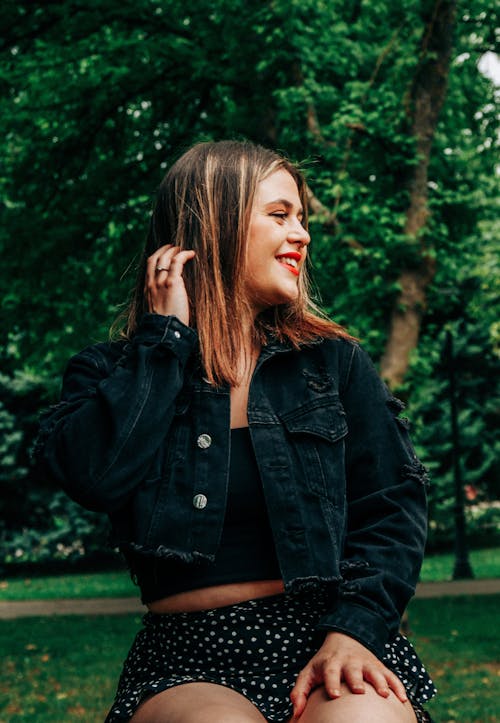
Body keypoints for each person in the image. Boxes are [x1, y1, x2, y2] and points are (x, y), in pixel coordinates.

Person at [35, 140, 436, 723]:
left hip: (329, 635)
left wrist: (354, 631)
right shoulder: (113, 371)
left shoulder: (333, 363)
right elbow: (95, 476)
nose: (301, 234)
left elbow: (393, 508)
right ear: (213, 225)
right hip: (188, 658)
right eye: (279, 215)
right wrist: (163, 340)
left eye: (301, 217)